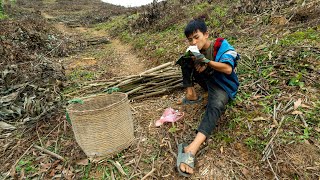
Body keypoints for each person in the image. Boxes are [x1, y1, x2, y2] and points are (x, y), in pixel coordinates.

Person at [176, 18, 239, 177]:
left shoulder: (221, 46)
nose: (194, 41)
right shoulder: (195, 51)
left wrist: (206, 62)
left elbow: (227, 69)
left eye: (196, 37)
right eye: (190, 39)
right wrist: (196, 63)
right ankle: (191, 94)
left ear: (206, 34)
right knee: (185, 59)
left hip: (223, 84)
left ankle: (192, 148)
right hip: (208, 81)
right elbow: (194, 65)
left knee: (215, 105)